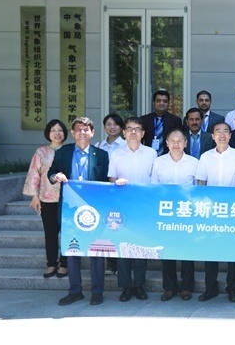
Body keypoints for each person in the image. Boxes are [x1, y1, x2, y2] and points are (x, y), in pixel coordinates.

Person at [48, 117, 109, 306]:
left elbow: (106, 181)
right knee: (72, 250)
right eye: (78, 130)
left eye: (86, 129)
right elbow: (51, 172)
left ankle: (97, 291)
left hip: (94, 209)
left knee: (96, 251)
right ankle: (75, 291)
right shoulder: (63, 152)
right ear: (73, 133)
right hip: (70, 209)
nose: (82, 133)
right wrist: (56, 176)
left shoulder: (102, 155)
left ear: (92, 133)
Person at [195, 121, 235, 303]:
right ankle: (210, 287)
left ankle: (233, 288)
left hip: (232, 211)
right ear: (212, 136)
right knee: (210, 251)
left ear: (230, 135)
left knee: (232, 252)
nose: (222, 135)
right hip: (211, 211)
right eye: (218, 132)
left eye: (225, 131)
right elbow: (201, 184)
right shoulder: (205, 157)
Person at [108, 117, 158, 302]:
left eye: (137, 129)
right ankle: (125, 287)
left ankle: (139, 285)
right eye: (129, 129)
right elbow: (111, 178)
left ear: (143, 133)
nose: (133, 132)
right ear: (124, 132)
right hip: (122, 206)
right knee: (123, 247)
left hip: (144, 206)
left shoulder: (151, 153)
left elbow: (155, 179)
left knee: (140, 246)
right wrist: (117, 183)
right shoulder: (116, 154)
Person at [151, 129, 199, 301]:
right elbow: (154, 187)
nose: (176, 144)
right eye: (172, 140)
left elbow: (198, 189)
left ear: (185, 143)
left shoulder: (194, 163)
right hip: (165, 213)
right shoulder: (158, 162)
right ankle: (169, 287)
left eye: (180, 141)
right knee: (167, 250)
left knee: (187, 250)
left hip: (187, 212)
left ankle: (187, 287)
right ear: (167, 143)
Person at [23, 119, 69, 279]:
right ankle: (51, 263)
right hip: (47, 197)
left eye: (60, 130)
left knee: (67, 232)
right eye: (53, 130)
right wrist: (35, 196)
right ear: (48, 133)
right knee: (50, 233)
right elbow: (34, 174)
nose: (57, 133)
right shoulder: (41, 152)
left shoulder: (70, 150)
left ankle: (65, 263)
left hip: (67, 198)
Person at [94, 113, 124, 276]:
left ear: (121, 127)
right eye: (109, 124)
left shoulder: (126, 145)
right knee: (108, 226)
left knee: (123, 225)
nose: (112, 127)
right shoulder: (98, 146)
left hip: (122, 191)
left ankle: (123, 264)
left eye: (116, 124)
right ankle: (111, 264)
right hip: (104, 191)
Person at [142, 89, 183, 156]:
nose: (161, 103)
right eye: (158, 101)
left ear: (168, 103)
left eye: (165, 101)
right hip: (148, 156)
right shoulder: (144, 120)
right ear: (153, 103)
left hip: (168, 157)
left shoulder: (175, 120)